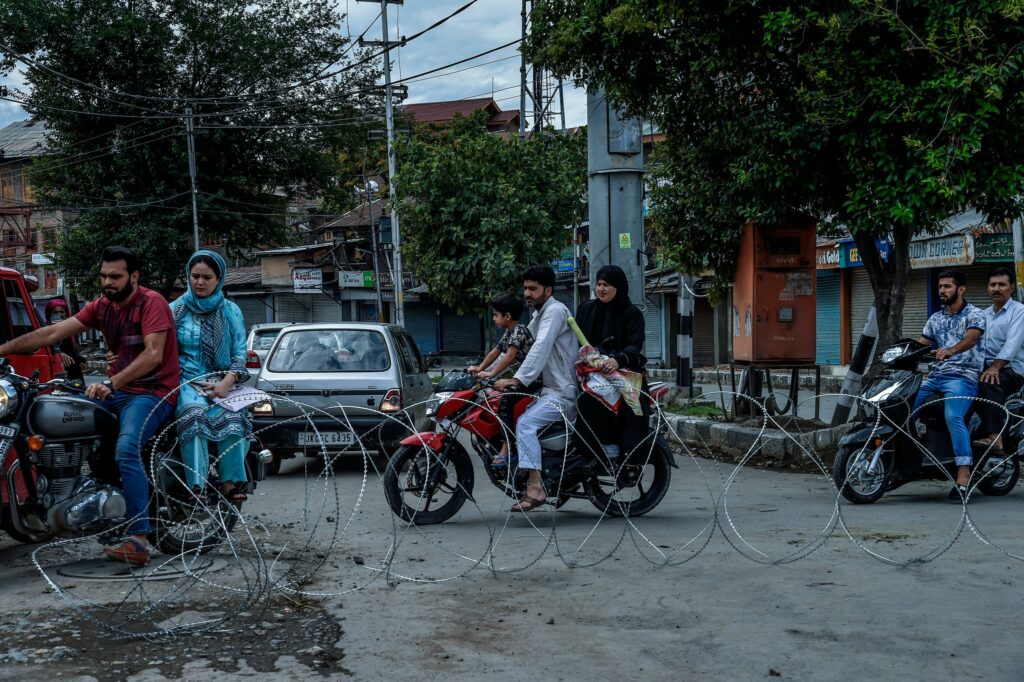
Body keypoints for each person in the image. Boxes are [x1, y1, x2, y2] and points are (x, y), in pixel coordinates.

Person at [0, 246, 179, 565]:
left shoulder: (152, 303)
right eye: (104, 276)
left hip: (152, 393)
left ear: (134, 277)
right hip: (117, 392)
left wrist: (112, 382)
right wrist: (3, 350)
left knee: (126, 449)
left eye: (115, 276)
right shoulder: (102, 307)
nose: (107, 282)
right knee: (58, 422)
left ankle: (138, 540)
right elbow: (52, 332)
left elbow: (153, 354)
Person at [494, 266, 579, 511]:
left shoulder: (554, 312)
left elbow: (539, 348)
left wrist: (517, 380)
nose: (527, 294)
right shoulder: (539, 316)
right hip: (548, 390)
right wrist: (485, 371)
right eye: (525, 289)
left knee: (526, 424)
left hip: (562, 392)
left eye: (533, 289)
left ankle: (536, 488)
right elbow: (514, 346)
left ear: (548, 290)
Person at [170, 250, 251, 503]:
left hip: (222, 381)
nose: (200, 282)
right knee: (194, 417)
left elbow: (239, 353)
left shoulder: (230, 310)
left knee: (233, 419)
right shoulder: (175, 310)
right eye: (195, 276)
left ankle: (230, 482)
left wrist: (227, 382)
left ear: (219, 279)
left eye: (207, 277)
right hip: (186, 382)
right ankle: (197, 485)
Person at [912, 269, 986, 500]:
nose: (942, 291)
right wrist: (898, 354)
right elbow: (921, 344)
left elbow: (971, 338)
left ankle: (964, 472)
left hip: (963, 377)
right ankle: (912, 459)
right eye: (940, 287)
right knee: (904, 407)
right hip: (935, 377)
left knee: (952, 416)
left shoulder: (975, 315)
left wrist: (950, 350)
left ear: (961, 289)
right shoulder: (936, 318)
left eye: (947, 286)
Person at [574, 264, 652, 463]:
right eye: (598, 284)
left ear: (618, 287)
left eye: (606, 285)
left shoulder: (631, 313)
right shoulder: (586, 309)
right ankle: (585, 451)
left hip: (623, 370)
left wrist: (617, 360)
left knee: (631, 402)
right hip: (591, 370)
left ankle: (626, 451)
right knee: (585, 400)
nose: (601, 289)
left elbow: (635, 345)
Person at [468, 293, 535, 467]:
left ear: (507, 316)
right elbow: (496, 352)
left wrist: (491, 374)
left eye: (496, 315)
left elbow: (510, 357)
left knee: (505, 403)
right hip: (520, 379)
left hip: (531, 381)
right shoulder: (510, 332)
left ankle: (508, 449)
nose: (494, 319)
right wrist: (480, 368)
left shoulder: (519, 331)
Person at [974, 266, 1024, 454]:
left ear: (1011, 288)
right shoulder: (983, 314)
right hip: (988, 367)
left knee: (988, 381)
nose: (997, 288)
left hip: (1014, 369)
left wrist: (995, 367)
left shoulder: (1019, 311)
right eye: (992, 284)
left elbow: (1012, 344)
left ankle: (996, 437)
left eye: (1002, 284)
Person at [44, 298, 85, 382]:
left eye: (61, 312)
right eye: (55, 312)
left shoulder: (69, 329)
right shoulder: (45, 330)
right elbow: (45, 347)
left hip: (74, 371)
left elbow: (73, 350)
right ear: (49, 314)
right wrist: (60, 354)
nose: (59, 314)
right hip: (58, 369)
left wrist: (81, 360)